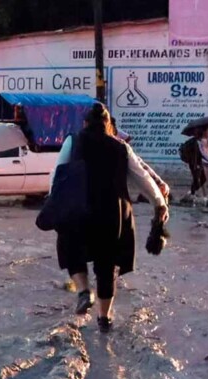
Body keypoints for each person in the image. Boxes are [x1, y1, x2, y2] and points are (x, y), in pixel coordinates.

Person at [53, 103, 168, 332]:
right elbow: (142, 177)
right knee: (106, 266)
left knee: (71, 249)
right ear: (108, 124)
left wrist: (53, 202)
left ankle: (84, 290)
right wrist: (159, 203)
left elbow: (58, 175)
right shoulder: (121, 147)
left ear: (85, 123)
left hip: (79, 208)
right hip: (113, 213)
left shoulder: (73, 141)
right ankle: (104, 319)